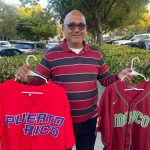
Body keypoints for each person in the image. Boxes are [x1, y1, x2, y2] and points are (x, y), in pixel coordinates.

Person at [16, 10, 132, 150]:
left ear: (86, 29)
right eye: (71, 25)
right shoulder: (51, 55)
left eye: (81, 25)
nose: (76, 29)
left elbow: (105, 80)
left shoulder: (96, 54)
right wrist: (27, 79)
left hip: (89, 120)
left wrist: (118, 77)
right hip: (60, 120)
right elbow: (38, 83)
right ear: (63, 29)